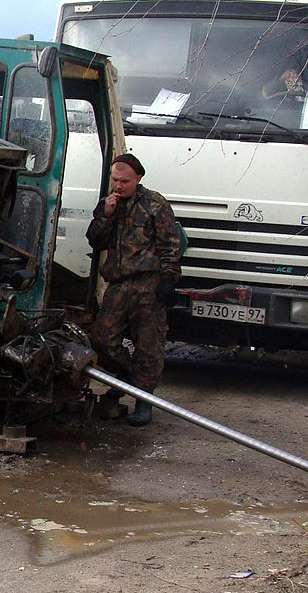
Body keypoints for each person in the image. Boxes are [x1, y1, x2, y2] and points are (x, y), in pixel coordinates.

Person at [85, 153, 180, 427]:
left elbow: (170, 246)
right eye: (115, 180)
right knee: (102, 337)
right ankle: (127, 378)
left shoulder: (155, 204)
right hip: (118, 282)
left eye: (124, 181)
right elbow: (95, 240)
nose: (118, 185)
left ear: (137, 179)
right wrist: (106, 215)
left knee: (149, 344)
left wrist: (168, 279)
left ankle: (144, 401)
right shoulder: (109, 204)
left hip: (148, 283)